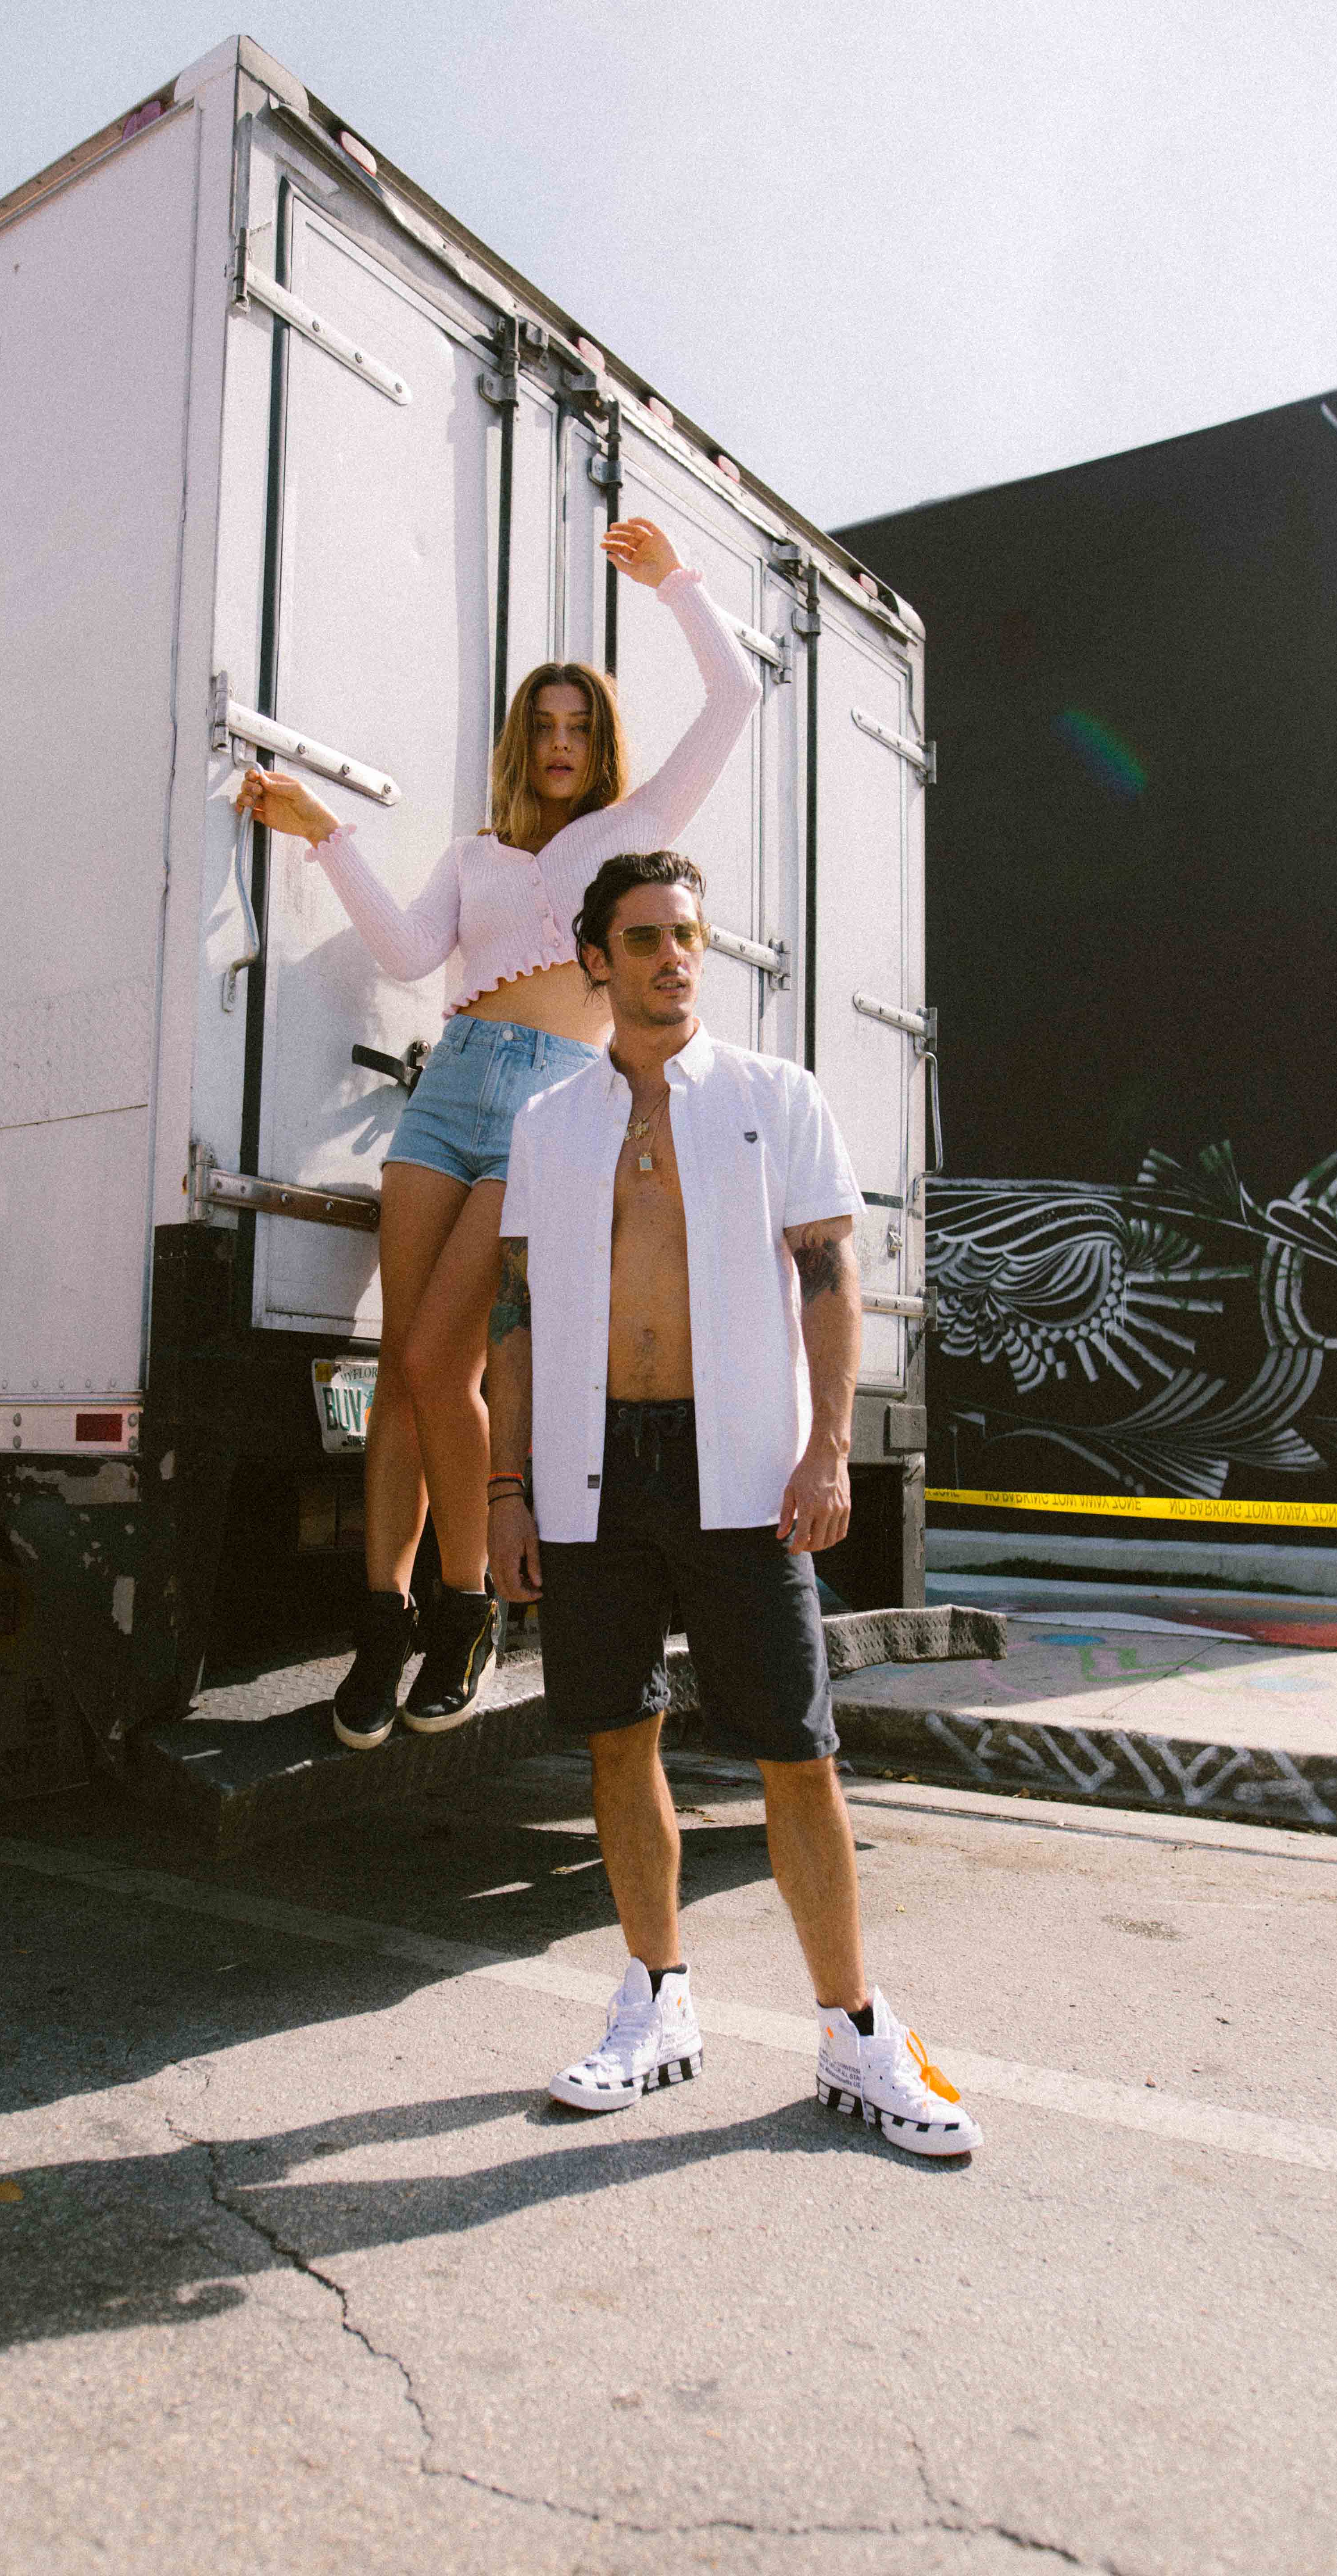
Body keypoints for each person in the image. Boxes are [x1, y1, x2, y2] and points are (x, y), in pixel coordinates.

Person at [484, 850, 983, 2157]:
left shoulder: (775, 1095)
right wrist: (504, 1487)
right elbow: (518, 1312)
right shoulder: (551, 1123)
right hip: (593, 1469)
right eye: (646, 938)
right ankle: (656, 2001)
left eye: (689, 936)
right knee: (617, 1737)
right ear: (597, 959)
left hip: (743, 1464)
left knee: (796, 1752)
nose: (674, 958)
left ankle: (858, 2032)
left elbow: (830, 1279)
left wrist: (828, 1449)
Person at [236, 523, 760, 1754]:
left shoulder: (631, 829)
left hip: (550, 1107)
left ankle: (465, 1610)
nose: (562, 744)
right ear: (522, 743)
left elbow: (736, 698)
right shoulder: (474, 854)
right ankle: (382, 1622)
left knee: (442, 1362)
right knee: (399, 1377)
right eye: (545, 727)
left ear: (602, 744)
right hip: (448, 1087)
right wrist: (325, 832)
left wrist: (677, 585)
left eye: (581, 727)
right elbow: (410, 955)